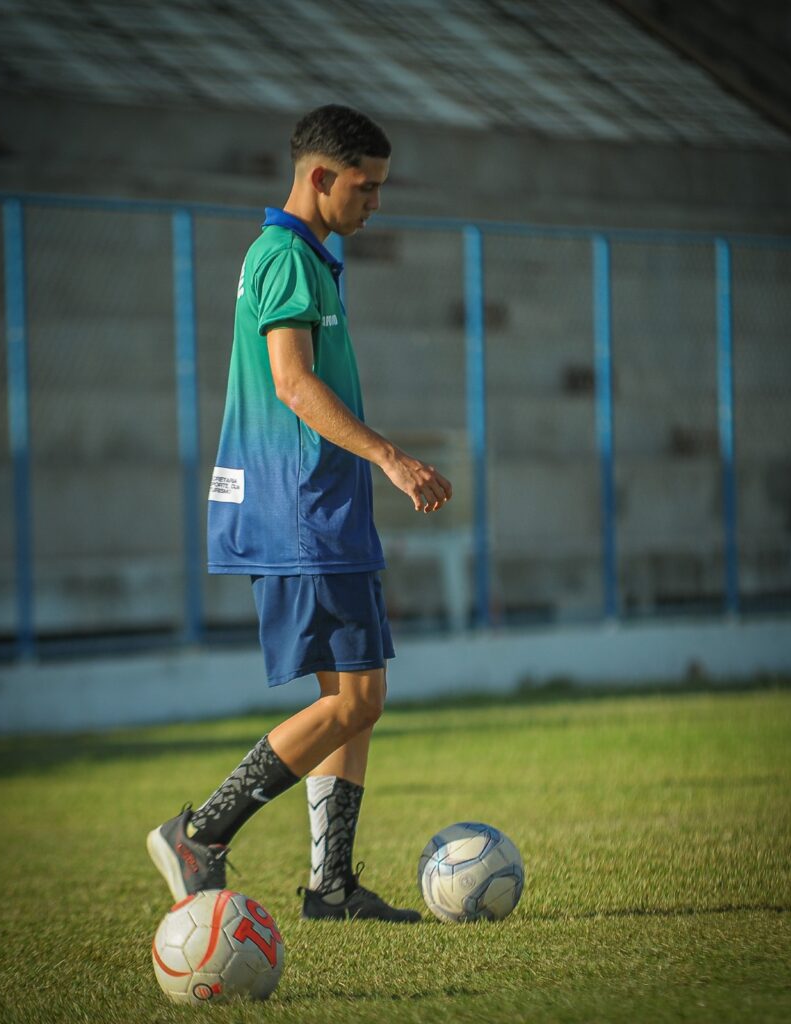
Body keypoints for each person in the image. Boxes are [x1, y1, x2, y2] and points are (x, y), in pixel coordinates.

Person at [148, 104, 452, 923]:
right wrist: (389, 455)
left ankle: (332, 886)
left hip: (322, 508)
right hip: (301, 509)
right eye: (365, 186)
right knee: (355, 699)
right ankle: (201, 833)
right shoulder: (283, 254)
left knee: (355, 695)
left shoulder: (304, 256)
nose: (374, 202)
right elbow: (291, 381)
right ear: (320, 176)